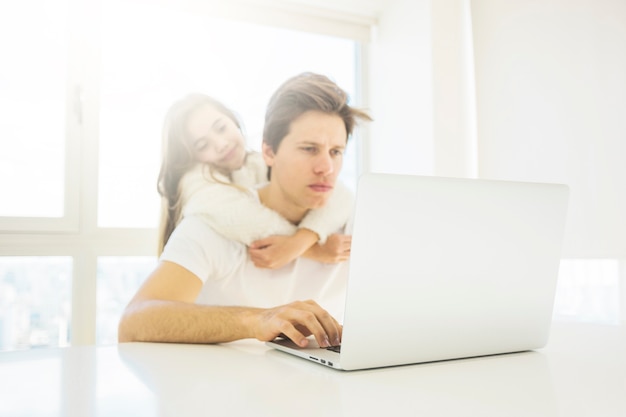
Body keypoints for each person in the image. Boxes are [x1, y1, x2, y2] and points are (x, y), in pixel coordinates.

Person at [118, 72, 372, 348]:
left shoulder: (350, 217)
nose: (327, 168)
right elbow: (132, 323)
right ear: (269, 152)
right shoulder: (213, 213)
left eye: (336, 152)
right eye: (309, 149)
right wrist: (258, 320)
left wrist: (303, 240)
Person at [157, 94, 353, 269]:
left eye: (221, 128)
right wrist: (313, 249)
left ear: (233, 120)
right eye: (202, 145)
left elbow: (340, 194)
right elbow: (243, 220)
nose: (221, 144)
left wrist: (304, 239)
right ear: (190, 158)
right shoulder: (196, 185)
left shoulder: (258, 163)